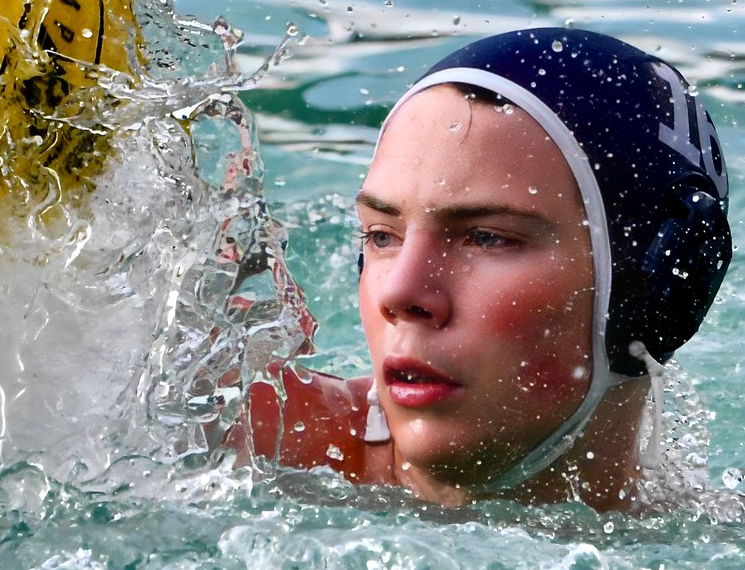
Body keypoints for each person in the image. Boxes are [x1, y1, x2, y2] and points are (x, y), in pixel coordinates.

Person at [246, 27, 732, 509]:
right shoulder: (237, 439)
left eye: (485, 238)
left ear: (656, 289)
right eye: (381, 235)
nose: (398, 294)